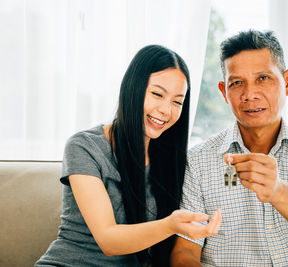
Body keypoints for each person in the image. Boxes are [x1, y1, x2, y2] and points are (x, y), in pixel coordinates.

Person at [170, 30, 288, 266]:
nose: (250, 94)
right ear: (224, 92)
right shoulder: (197, 161)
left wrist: (277, 190)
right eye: (237, 83)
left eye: (263, 78)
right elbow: (184, 253)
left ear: (287, 82)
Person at [36, 45, 222, 267]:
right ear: (133, 88)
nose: (166, 110)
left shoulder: (170, 159)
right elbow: (108, 240)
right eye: (157, 94)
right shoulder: (85, 146)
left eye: (177, 101)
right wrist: (171, 225)